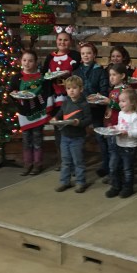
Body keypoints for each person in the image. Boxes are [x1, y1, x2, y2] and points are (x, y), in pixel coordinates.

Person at [41, 25, 81, 170]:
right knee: (58, 128)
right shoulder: (50, 57)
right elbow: (44, 74)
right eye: (60, 40)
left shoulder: (75, 55)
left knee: (71, 127)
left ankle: (74, 161)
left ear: (70, 41)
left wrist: (68, 75)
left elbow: (78, 72)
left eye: (65, 40)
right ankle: (62, 160)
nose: (62, 42)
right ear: (56, 41)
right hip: (55, 97)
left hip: (70, 97)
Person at [9, 49, 53, 176]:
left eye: (30, 61)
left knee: (37, 139)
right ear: (21, 61)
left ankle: (37, 164)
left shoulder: (42, 78)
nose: (27, 63)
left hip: (39, 112)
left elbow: (47, 93)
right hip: (24, 113)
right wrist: (15, 95)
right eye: (24, 60)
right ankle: (27, 164)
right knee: (26, 140)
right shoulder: (16, 78)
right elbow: (11, 92)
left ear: (35, 62)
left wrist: (46, 107)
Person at [73, 42, 110, 178]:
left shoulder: (100, 71)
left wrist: (99, 97)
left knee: (100, 137)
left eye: (89, 53)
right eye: (83, 53)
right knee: (77, 137)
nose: (86, 55)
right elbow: (73, 89)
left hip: (96, 109)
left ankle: (106, 165)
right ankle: (77, 166)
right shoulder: (77, 71)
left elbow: (104, 90)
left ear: (94, 55)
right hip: (81, 108)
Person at [52, 76, 92, 193]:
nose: (71, 91)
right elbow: (60, 113)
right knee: (65, 161)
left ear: (81, 89)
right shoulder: (66, 102)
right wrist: (55, 118)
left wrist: (79, 123)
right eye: (69, 88)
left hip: (77, 137)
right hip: (65, 136)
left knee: (78, 161)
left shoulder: (84, 104)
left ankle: (81, 182)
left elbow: (88, 120)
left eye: (74, 88)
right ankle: (65, 182)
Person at [106, 88, 137, 199]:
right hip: (118, 145)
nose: (120, 103)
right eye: (120, 101)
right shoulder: (121, 113)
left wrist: (127, 133)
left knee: (127, 169)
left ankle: (128, 188)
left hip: (129, 147)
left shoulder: (135, 117)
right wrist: (114, 128)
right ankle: (116, 186)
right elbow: (120, 126)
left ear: (132, 102)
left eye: (123, 101)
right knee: (114, 167)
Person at [100, 63, 129, 184]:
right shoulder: (112, 90)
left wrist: (110, 102)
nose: (111, 77)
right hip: (109, 124)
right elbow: (109, 108)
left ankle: (116, 175)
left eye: (114, 75)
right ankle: (113, 173)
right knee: (111, 150)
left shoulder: (125, 90)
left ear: (122, 75)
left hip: (119, 126)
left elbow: (125, 108)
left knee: (116, 152)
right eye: (110, 75)